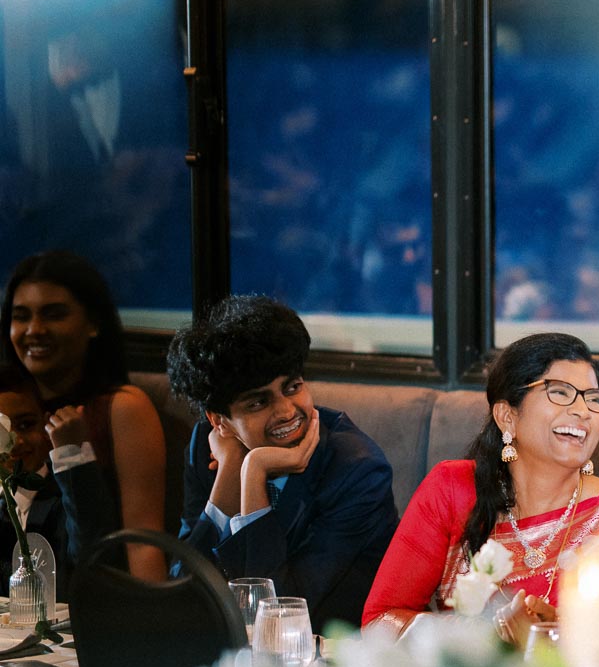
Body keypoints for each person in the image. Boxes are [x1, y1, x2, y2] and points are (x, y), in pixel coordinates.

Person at [362, 332, 599, 644]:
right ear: (507, 416)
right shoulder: (453, 490)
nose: (583, 411)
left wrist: (555, 635)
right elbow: (380, 622)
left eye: (594, 398)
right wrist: (488, 633)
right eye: (560, 392)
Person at [166, 294, 399, 631]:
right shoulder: (207, 450)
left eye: (292, 387)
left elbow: (276, 616)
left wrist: (253, 472)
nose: (287, 411)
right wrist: (231, 470)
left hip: (329, 661)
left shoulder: (356, 470)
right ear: (220, 421)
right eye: (259, 402)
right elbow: (181, 589)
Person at [2, 250, 167, 580]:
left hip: (98, 597)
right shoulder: (7, 403)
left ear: (93, 323)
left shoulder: (121, 407)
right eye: (21, 316)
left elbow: (143, 542)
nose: (34, 330)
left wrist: (151, 617)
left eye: (54, 315)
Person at [0, 367, 119, 599]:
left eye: (26, 425)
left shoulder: (68, 490)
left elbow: (92, 556)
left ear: (46, 425)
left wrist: (71, 456)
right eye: (4, 432)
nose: (17, 441)